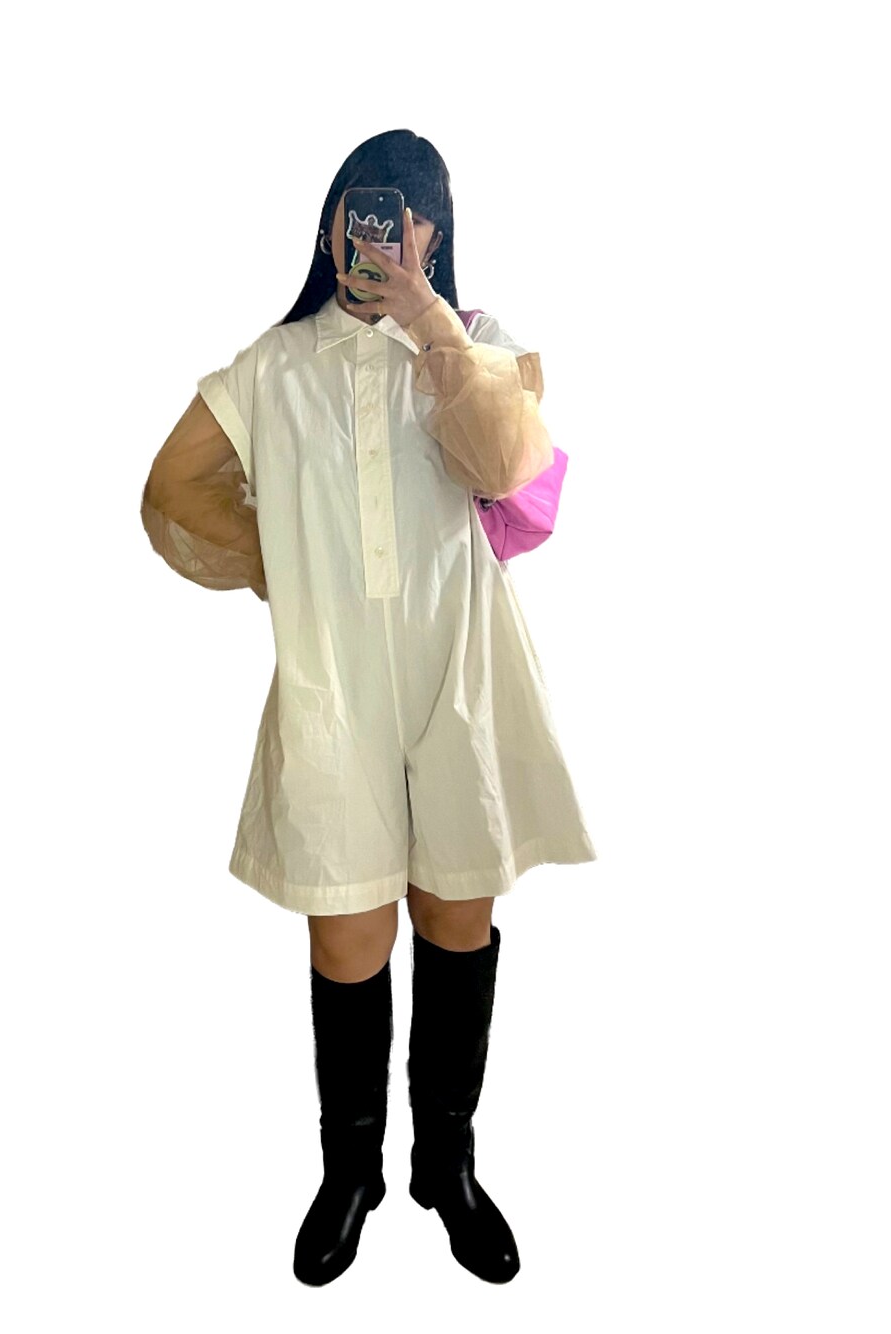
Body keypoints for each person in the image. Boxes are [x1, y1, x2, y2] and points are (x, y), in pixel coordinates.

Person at [140, 129, 597, 1287]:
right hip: (333, 681)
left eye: (403, 215)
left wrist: (430, 321)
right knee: (346, 934)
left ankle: (447, 1163)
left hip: (461, 676)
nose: (380, 231)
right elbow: (171, 490)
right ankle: (351, 1172)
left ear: (433, 234)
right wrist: (283, 559)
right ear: (330, 224)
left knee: (456, 918)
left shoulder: (476, 347)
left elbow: (505, 464)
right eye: (362, 209)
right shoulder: (274, 366)